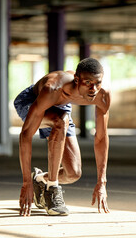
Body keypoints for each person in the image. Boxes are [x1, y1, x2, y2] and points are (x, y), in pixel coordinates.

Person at [14, 57, 110, 216]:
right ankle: (52, 189)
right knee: (61, 120)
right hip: (31, 101)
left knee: (73, 173)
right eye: (87, 83)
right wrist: (25, 184)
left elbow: (101, 137)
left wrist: (102, 182)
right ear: (77, 80)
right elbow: (25, 135)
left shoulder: (103, 95)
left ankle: (40, 179)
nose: (93, 88)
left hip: (60, 107)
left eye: (97, 83)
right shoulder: (53, 87)